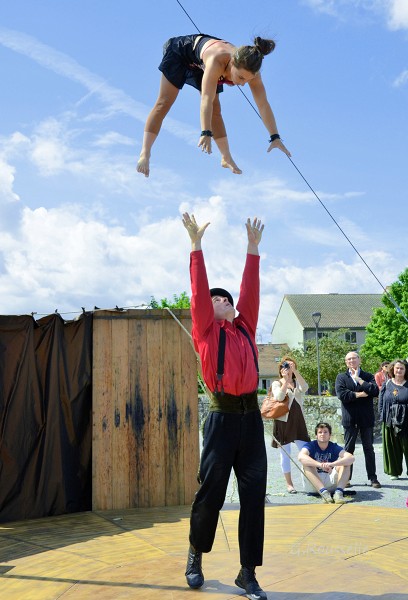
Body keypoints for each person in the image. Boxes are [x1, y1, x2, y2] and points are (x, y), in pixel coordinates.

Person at [181, 212, 268, 600]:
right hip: (221, 419)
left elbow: (250, 291)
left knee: (253, 496)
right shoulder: (204, 330)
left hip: (251, 421)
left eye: (226, 299)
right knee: (210, 493)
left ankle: (247, 573)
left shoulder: (245, 327)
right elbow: (198, 291)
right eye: (215, 299)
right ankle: (195, 552)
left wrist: (252, 249)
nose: (221, 301)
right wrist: (196, 246)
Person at [137, 34, 290, 177]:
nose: (242, 83)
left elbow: (263, 104)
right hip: (181, 54)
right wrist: (205, 132)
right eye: (240, 77)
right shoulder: (217, 61)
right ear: (232, 63)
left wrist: (275, 136)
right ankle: (145, 153)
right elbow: (206, 98)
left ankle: (226, 157)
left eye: (247, 80)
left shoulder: (253, 73)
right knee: (164, 102)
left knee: (216, 110)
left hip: (202, 65)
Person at [335, 351, 381, 488]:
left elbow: (375, 391)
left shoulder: (368, 376)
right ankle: (346, 479)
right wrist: (360, 394)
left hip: (366, 419)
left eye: (354, 358)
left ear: (359, 360)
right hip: (350, 419)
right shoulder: (341, 377)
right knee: (348, 450)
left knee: (369, 448)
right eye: (348, 359)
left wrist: (359, 379)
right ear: (346, 362)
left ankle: (373, 478)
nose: (351, 361)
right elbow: (342, 395)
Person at [271, 356, 310, 493]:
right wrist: (286, 380)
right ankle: (289, 484)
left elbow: (305, 388)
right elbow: (279, 397)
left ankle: (310, 481)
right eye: (285, 366)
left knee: (306, 451)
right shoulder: (277, 383)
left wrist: (295, 372)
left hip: (298, 420)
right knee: (285, 454)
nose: (287, 368)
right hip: (283, 421)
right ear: (281, 369)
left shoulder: (297, 381)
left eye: (290, 365)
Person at [298, 422, 355, 504]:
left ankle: (339, 493)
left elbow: (351, 458)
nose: (322, 434)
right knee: (306, 464)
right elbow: (301, 457)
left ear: (330, 435)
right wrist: (319, 465)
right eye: (320, 432)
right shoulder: (310, 445)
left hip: (330, 481)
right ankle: (324, 493)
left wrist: (332, 464)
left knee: (345, 464)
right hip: (313, 483)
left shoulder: (334, 447)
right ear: (316, 435)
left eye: (325, 432)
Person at [378, 359, 408, 481]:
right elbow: (381, 403)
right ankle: (394, 472)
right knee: (392, 447)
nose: (399, 370)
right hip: (389, 421)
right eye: (397, 368)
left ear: (406, 370)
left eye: (402, 368)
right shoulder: (387, 384)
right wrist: (383, 417)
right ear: (392, 369)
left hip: (406, 421)